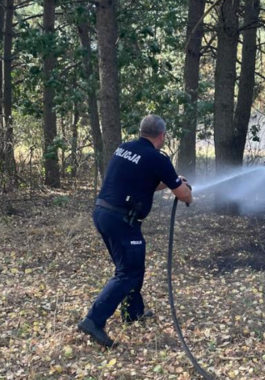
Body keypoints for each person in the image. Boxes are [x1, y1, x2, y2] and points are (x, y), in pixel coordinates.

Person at [78, 115, 193, 347]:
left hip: (103, 213)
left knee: (133, 264)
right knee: (128, 270)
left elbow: (147, 181)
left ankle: (133, 312)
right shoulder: (156, 158)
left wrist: (172, 181)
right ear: (162, 135)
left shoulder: (125, 148)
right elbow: (183, 195)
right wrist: (184, 189)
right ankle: (93, 320)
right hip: (121, 220)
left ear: (141, 132)